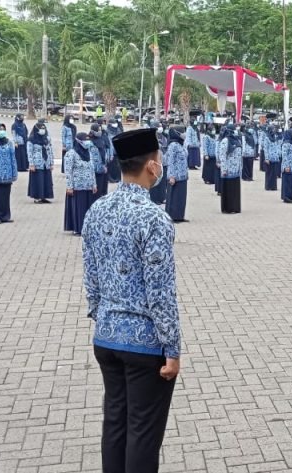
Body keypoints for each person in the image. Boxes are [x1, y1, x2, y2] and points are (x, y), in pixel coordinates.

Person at [85, 128, 180, 473]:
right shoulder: (154, 218)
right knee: (143, 431)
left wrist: (102, 317)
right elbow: (161, 291)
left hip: (106, 337)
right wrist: (172, 347)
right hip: (144, 344)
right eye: (160, 159)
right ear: (152, 166)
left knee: (115, 422)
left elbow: (91, 277)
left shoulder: (97, 209)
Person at [64, 132, 99, 235]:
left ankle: (87, 229)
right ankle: (78, 229)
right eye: (85, 140)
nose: (87, 142)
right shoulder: (71, 153)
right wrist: (69, 186)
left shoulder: (89, 153)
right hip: (77, 187)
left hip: (89, 186)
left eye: (88, 140)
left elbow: (92, 169)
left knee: (88, 208)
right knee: (79, 208)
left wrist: (94, 184)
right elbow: (68, 171)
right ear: (78, 141)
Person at [164, 127, 189, 223]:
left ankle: (179, 216)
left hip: (182, 176)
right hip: (175, 177)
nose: (184, 134)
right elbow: (170, 161)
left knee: (181, 198)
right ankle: (172, 216)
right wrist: (171, 176)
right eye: (183, 132)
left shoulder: (181, 144)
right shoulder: (173, 145)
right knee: (174, 197)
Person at [27, 121, 55, 204]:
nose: (43, 130)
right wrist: (31, 164)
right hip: (37, 163)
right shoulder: (31, 140)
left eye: (44, 128)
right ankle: (37, 197)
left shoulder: (47, 139)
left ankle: (44, 197)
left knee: (46, 180)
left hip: (46, 163)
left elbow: (50, 151)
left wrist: (51, 162)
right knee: (38, 181)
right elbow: (29, 152)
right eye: (41, 128)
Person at [218, 124, 242, 213]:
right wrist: (224, 169)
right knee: (229, 190)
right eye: (234, 129)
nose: (236, 131)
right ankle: (228, 208)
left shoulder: (237, 140)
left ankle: (235, 207)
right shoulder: (225, 141)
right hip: (228, 170)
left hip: (236, 169)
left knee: (235, 190)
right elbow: (222, 155)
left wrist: (240, 167)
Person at [90, 124, 110, 197]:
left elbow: (104, 151)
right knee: (97, 188)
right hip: (96, 169)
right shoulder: (90, 141)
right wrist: (101, 167)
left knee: (103, 186)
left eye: (100, 130)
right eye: (98, 130)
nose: (100, 131)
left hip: (103, 166)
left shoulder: (101, 139)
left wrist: (105, 164)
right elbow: (94, 157)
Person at [105, 117, 123, 183]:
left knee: (118, 166)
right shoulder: (107, 131)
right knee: (111, 165)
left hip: (118, 150)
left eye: (115, 123)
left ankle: (118, 177)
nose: (115, 124)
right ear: (110, 124)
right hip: (111, 151)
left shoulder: (118, 129)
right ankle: (111, 178)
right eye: (113, 123)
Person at [263, 126, 281, 191]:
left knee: (274, 173)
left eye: (274, 129)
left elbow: (278, 146)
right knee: (269, 173)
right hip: (269, 158)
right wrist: (266, 158)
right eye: (272, 129)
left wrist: (278, 154)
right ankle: (268, 186)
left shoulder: (275, 137)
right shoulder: (267, 138)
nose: (274, 130)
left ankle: (273, 186)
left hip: (275, 158)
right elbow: (265, 148)